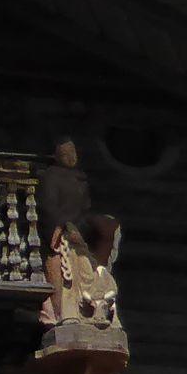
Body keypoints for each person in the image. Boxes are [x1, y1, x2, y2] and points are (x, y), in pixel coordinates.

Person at [37, 138, 121, 333]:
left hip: (78, 231)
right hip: (62, 233)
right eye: (66, 154)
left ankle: (92, 311)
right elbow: (48, 207)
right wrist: (62, 226)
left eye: (73, 153)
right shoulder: (51, 178)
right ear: (58, 157)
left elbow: (84, 208)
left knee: (86, 270)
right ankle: (68, 312)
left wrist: (81, 227)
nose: (71, 157)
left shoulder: (80, 179)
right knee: (69, 272)